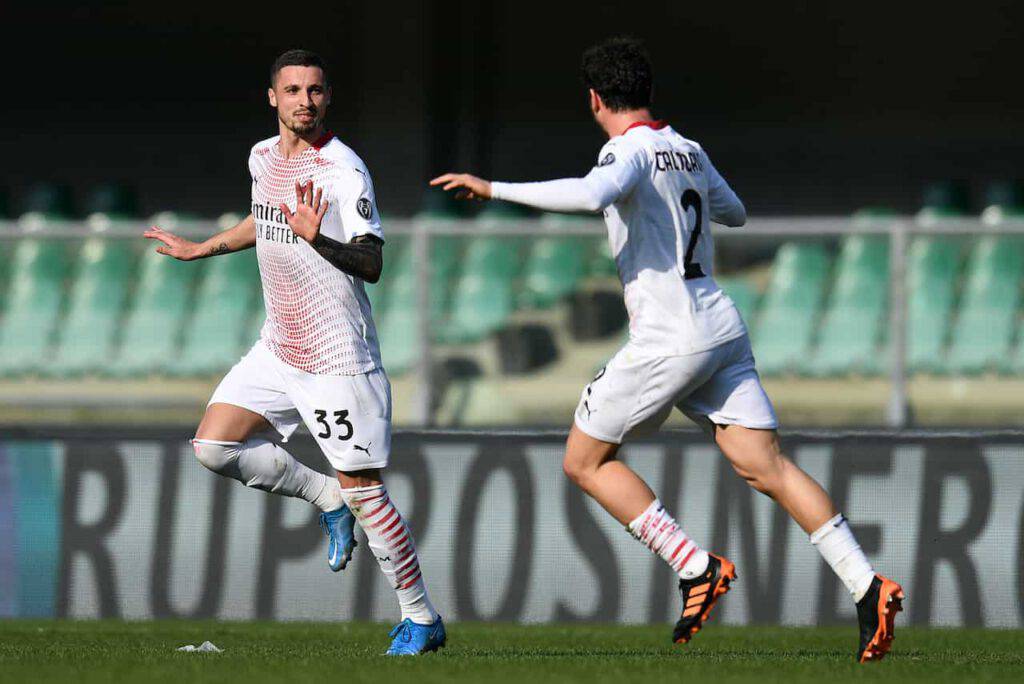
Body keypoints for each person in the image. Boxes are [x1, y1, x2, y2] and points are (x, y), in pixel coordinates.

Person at [431, 36, 902, 663]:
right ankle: (868, 585)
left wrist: (492, 188)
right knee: (766, 465)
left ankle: (694, 566)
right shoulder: (687, 148)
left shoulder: (625, 151)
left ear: (596, 99)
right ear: (647, 92)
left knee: (584, 461)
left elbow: (595, 194)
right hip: (720, 325)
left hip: (669, 336)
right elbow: (733, 213)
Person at [145, 49, 445, 656]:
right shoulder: (261, 157)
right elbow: (265, 220)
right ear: (273, 97)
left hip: (338, 357)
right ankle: (322, 495)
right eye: (292, 90)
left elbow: (373, 262)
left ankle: (421, 618)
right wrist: (200, 249)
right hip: (279, 345)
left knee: (365, 489)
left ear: (328, 98)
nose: (303, 101)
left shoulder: (343, 170)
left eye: (315, 91)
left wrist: (319, 237)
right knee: (213, 445)